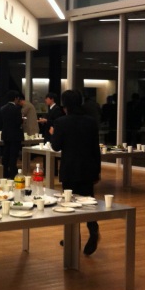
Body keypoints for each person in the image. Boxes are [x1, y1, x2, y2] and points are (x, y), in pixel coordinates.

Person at [51, 90, 102, 255]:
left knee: (69, 203)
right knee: (88, 202)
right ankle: (93, 230)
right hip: (88, 168)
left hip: (70, 168)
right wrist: (97, 171)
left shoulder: (61, 122)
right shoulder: (91, 121)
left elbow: (56, 146)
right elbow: (95, 148)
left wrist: (53, 134)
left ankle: (72, 238)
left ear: (65, 105)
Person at [0, 90, 23, 179]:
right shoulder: (17, 108)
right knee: (13, 155)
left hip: (6, 134)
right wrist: (22, 120)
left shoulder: (3, 108)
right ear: (15, 98)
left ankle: (4, 172)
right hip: (15, 135)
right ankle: (13, 173)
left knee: (6, 154)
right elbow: (18, 122)